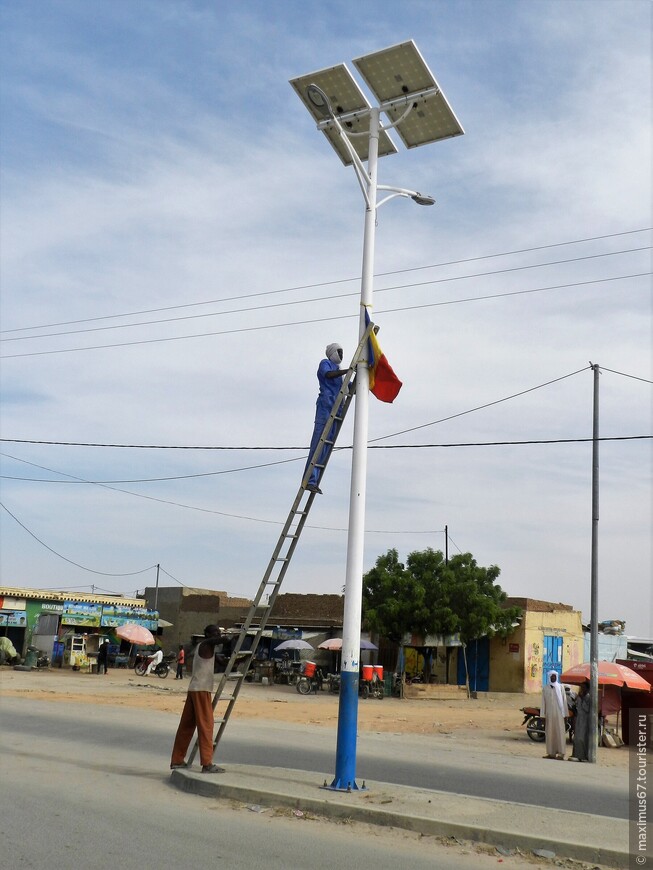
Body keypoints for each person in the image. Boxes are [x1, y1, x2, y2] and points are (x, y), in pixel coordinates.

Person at [170, 625, 227, 774]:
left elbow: (223, 663)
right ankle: (207, 763)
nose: (217, 635)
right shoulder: (206, 644)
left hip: (194, 688)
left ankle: (177, 760)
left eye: (218, 633)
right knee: (206, 725)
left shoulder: (208, 649)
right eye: (214, 633)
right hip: (201, 690)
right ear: (207, 634)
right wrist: (230, 638)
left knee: (187, 726)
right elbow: (218, 640)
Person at [304, 342, 348, 494]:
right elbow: (327, 374)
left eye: (342, 353)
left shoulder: (340, 371)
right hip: (325, 407)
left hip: (336, 410)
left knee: (326, 447)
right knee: (318, 444)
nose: (341, 355)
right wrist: (347, 372)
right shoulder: (326, 363)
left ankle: (314, 481)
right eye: (339, 352)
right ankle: (309, 480)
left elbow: (348, 389)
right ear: (332, 352)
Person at [541, 670, 567, 760]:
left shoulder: (561, 687)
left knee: (560, 732)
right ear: (549, 677)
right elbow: (543, 702)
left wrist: (565, 714)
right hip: (549, 714)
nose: (553, 678)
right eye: (551, 676)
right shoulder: (545, 688)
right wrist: (543, 715)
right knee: (550, 732)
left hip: (559, 714)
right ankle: (551, 753)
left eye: (554, 676)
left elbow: (564, 701)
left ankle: (561, 753)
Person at [569, 680, 591, 761]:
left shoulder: (588, 697)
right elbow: (577, 707)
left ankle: (583, 756)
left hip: (585, 719)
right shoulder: (579, 696)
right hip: (578, 718)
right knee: (577, 737)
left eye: (584, 687)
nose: (582, 689)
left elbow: (587, 709)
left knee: (582, 738)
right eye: (581, 687)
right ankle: (576, 754)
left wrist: (582, 700)